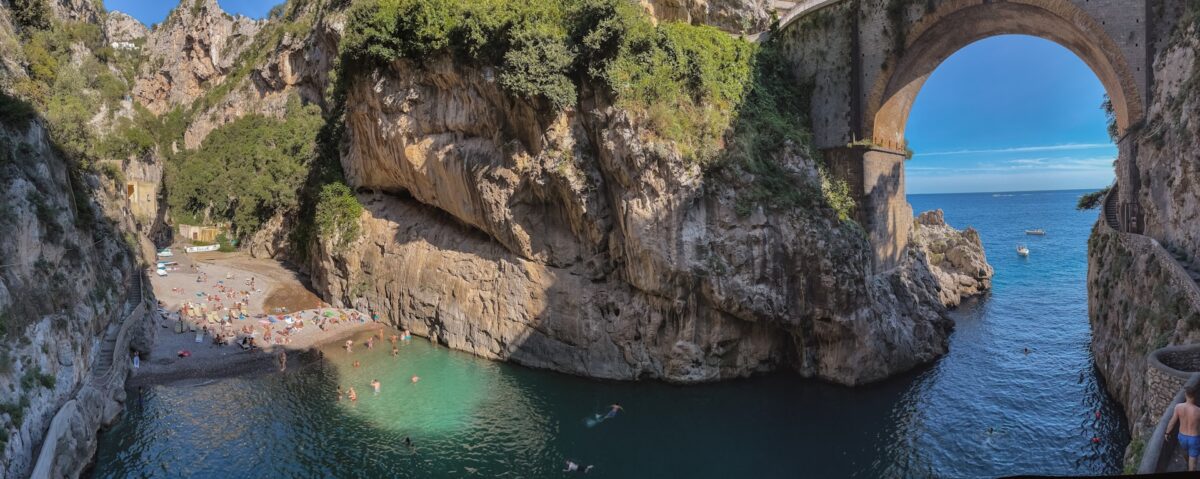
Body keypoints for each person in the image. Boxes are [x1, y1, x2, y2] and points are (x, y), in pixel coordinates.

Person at [1168, 384, 1200, 471]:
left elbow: (1172, 421)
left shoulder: (1178, 407)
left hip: (1182, 436)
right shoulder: (1198, 411)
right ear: (1195, 395)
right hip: (1194, 438)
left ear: (1185, 395)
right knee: (1192, 465)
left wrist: (1167, 433)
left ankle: (1187, 463)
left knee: (1185, 452)